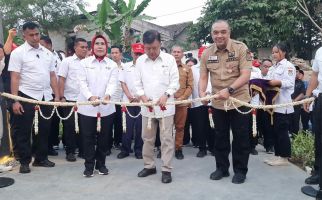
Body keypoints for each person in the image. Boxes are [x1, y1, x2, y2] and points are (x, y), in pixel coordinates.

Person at [199, 20, 252, 184]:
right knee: (220, 137)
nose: (219, 35)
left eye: (223, 32)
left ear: (229, 32)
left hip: (239, 101)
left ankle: (240, 171)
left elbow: (245, 75)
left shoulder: (241, 48)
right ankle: (222, 168)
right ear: (212, 34)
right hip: (218, 103)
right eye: (216, 32)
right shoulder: (207, 53)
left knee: (241, 138)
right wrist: (202, 92)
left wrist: (229, 90)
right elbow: (202, 77)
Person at [8, 21, 59, 173]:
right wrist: (15, 100)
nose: (35, 38)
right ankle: (24, 161)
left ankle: (41, 158)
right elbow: (15, 77)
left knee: (44, 129)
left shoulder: (47, 53)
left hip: (46, 96)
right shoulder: (18, 53)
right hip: (26, 96)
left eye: (37, 34)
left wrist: (56, 96)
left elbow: (52, 76)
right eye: (31, 35)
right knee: (24, 130)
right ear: (24, 35)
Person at [134, 30, 179, 184]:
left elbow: (175, 82)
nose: (151, 52)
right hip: (147, 107)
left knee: (166, 138)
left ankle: (166, 169)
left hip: (166, 106)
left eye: (154, 48)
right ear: (144, 46)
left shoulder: (169, 59)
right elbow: (137, 83)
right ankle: (149, 166)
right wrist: (143, 96)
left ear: (160, 44)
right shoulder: (140, 61)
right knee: (147, 138)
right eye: (148, 48)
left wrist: (166, 95)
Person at [77, 34, 118, 177]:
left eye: (103, 44)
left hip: (106, 108)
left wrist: (108, 95)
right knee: (87, 138)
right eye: (97, 43)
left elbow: (113, 83)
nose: (100, 46)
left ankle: (101, 165)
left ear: (106, 47)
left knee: (104, 138)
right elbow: (81, 82)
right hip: (87, 108)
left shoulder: (112, 65)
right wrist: (90, 96)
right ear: (92, 47)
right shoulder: (84, 63)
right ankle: (89, 166)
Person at [264, 42, 295, 166]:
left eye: (276, 52)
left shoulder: (288, 66)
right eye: (273, 52)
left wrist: (277, 82)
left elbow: (290, 84)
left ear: (284, 52)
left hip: (283, 105)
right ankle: (278, 156)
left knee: (282, 131)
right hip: (273, 105)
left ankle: (284, 157)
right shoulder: (273, 67)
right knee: (275, 131)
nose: (274, 54)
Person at [58, 38, 88, 162]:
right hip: (69, 99)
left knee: (84, 127)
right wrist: (62, 97)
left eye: (86, 47)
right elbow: (62, 79)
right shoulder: (67, 62)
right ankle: (70, 152)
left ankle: (82, 150)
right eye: (82, 47)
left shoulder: (89, 62)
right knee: (69, 127)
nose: (85, 49)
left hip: (85, 100)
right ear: (75, 48)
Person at [117, 43, 144, 159]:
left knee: (139, 127)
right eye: (136, 53)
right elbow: (122, 82)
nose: (137, 56)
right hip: (127, 101)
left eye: (140, 54)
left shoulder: (146, 67)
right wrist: (129, 96)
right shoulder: (125, 66)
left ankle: (138, 150)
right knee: (126, 127)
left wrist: (139, 97)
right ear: (132, 53)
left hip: (142, 101)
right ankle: (125, 149)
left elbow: (148, 84)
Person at [39, 35, 62, 156]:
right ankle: (45, 147)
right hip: (44, 92)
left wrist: (59, 94)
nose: (40, 47)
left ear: (49, 45)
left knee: (55, 121)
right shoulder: (40, 57)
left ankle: (53, 143)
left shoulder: (59, 56)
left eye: (42, 45)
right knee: (44, 122)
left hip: (56, 92)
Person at [303, 46, 322, 185]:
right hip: (320, 98)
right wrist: (307, 95)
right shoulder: (320, 51)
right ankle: (319, 172)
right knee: (319, 138)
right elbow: (315, 75)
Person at [171, 45, 193, 160]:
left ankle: (178, 149)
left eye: (178, 52)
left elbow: (190, 86)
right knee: (166, 127)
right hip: (167, 103)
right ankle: (165, 148)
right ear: (171, 53)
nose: (176, 54)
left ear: (182, 54)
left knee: (180, 127)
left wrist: (183, 97)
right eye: (174, 52)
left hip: (181, 102)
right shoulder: (166, 68)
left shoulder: (187, 69)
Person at [110, 45, 124, 152]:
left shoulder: (125, 67)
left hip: (121, 100)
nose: (114, 55)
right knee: (108, 124)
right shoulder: (108, 66)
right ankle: (108, 144)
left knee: (119, 122)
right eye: (112, 53)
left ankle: (117, 142)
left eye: (116, 53)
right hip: (109, 100)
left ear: (121, 54)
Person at [289, 66, 305, 136]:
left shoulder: (301, 83)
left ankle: (295, 138)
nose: (295, 73)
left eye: (297, 71)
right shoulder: (288, 81)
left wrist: (294, 101)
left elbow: (302, 93)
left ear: (298, 73)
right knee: (287, 122)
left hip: (296, 106)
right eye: (294, 71)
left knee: (295, 122)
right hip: (286, 105)